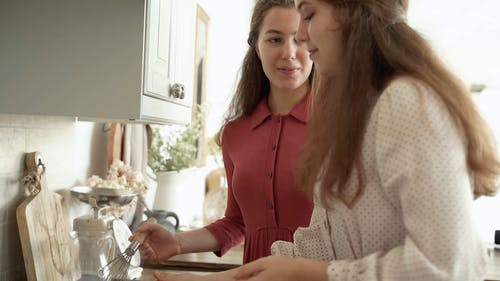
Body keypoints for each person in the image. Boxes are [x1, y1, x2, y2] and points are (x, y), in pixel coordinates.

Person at [153, 0, 500, 280]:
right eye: (276, 38)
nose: (300, 39)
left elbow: (448, 268)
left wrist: (308, 272)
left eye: (309, 14)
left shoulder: (401, 101)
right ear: (255, 48)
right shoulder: (353, 113)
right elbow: (325, 240)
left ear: (350, 9)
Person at [133, 0, 315, 270]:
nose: (289, 53)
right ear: (256, 45)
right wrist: (176, 242)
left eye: (301, 39)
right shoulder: (235, 133)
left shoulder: (343, 127)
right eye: (275, 39)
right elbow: (238, 222)